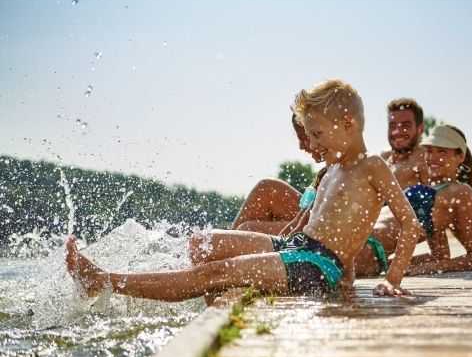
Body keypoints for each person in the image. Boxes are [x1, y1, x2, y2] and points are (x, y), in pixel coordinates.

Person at [65, 79, 421, 301]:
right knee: (205, 243)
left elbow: (410, 224)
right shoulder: (332, 169)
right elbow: (317, 223)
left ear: (348, 124)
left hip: (316, 264)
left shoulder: (372, 166)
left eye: (317, 135)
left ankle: (105, 280)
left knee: (213, 274)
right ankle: (177, 290)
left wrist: (392, 279)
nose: (312, 144)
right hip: (297, 247)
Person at [355, 124, 472, 277]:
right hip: (362, 244)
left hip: (365, 249)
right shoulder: (435, 189)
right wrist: (427, 265)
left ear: (460, 156)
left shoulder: (461, 192)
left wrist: (430, 268)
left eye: (442, 152)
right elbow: (440, 256)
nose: (432, 157)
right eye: (430, 151)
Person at [231, 114, 324, 235]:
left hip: (328, 227)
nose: (301, 146)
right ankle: (223, 243)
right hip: (316, 215)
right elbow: (301, 218)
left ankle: (226, 245)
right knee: (267, 188)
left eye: (304, 137)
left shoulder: (346, 168)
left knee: (247, 230)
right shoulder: (327, 171)